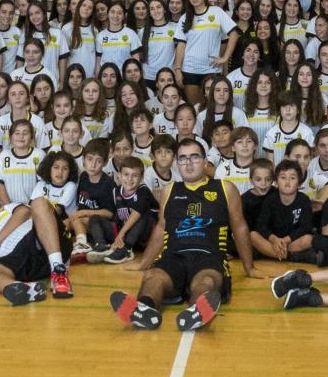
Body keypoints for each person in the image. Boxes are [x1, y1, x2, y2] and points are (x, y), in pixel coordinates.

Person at [109, 138, 259, 330]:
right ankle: (144, 309)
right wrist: (143, 263)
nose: (188, 163)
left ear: (205, 162)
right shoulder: (169, 191)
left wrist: (250, 268)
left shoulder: (225, 188)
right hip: (174, 255)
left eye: (194, 157)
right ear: (177, 164)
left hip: (209, 256)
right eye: (183, 158)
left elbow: (239, 228)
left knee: (206, 281)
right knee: (153, 276)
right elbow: (162, 227)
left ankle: (197, 310)